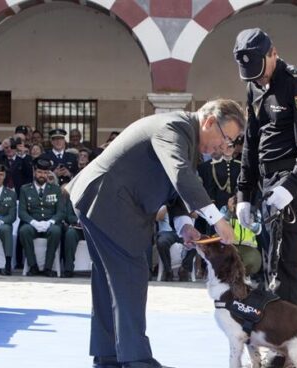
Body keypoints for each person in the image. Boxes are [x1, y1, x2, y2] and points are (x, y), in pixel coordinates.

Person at [65, 99, 242, 368]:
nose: (224, 146)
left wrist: (184, 225)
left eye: (230, 142)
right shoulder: (175, 127)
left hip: (102, 200)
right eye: (225, 137)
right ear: (209, 122)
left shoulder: (189, 138)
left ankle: (108, 356)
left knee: (108, 282)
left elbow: (175, 189)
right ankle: (136, 360)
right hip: (109, 201)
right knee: (130, 277)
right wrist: (217, 220)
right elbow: (181, 174)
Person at [233, 28, 297, 308]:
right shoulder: (254, 85)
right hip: (267, 181)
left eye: (261, 71)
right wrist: (244, 194)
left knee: (285, 265)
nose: (259, 79)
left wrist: (292, 185)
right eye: (252, 76)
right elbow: (252, 140)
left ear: (273, 53)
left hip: (292, 181)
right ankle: (272, 331)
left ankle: (286, 345)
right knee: (267, 262)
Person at [18, 158, 65, 277]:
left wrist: (50, 222)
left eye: (45, 173)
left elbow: (61, 212)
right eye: (39, 172)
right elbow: (22, 212)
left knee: (56, 231)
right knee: (24, 230)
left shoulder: (55, 189)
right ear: (34, 172)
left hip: (50, 224)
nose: (42, 175)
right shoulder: (25, 189)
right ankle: (32, 266)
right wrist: (33, 222)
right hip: (32, 224)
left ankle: (48, 267)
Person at [61, 188, 84, 278]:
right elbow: (69, 215)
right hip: (78, 228)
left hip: (93, 229)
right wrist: (78, 221)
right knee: (70, 234)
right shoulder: (74, 196)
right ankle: (68, 269)